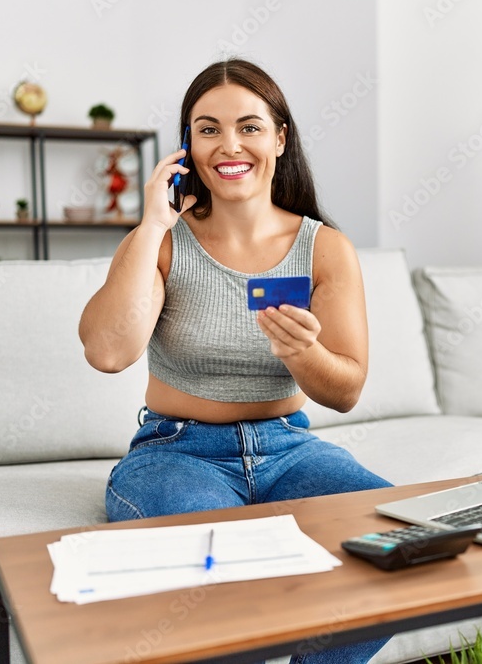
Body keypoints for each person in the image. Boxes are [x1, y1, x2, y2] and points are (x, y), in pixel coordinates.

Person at [78, 58, 392, 664]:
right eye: (208, 129)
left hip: (290, 449)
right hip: (175, 452)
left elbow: (346, 389)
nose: (229, 145)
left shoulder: (324, 248)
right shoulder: (164, 242)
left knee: (397, 548)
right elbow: (107, 352)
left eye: (249, 127)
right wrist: (150, 225)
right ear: (187, 147)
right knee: (217, 576)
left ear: (279, 138)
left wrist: (305, 353)